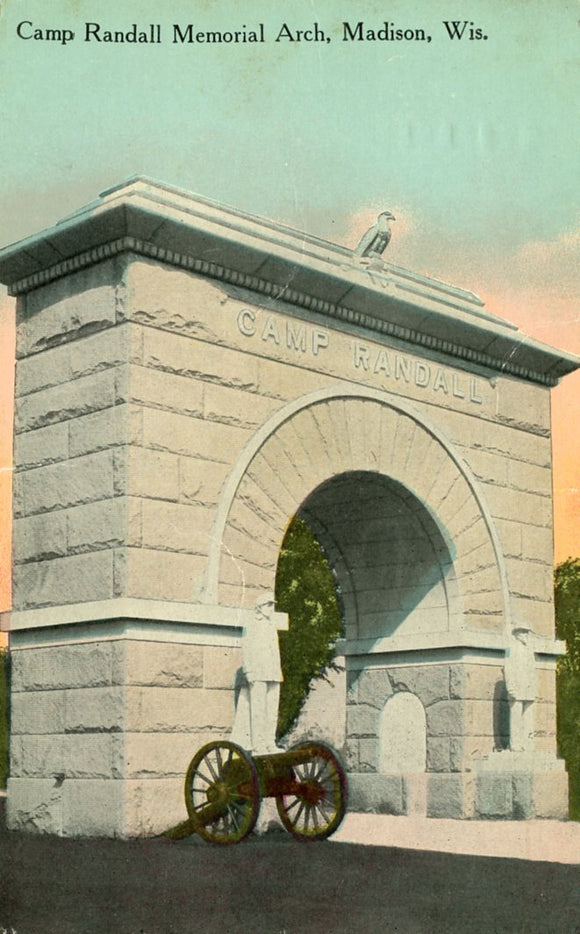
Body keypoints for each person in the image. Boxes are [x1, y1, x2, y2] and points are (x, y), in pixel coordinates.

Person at [230, 592, 284, 755]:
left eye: (272, 605)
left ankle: (270, 742)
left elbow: (275, 651)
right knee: (258, 711)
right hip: (258, 672)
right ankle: (258, 744)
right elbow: (246, 648)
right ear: (259, 607)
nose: (271, 608)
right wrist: (249, 672)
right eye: (268, 605)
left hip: (273, 672)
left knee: (272, 711)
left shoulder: (271, 625)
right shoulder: (251, 624)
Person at [504, 624, 537, 752]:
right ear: (517, 633)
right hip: (516, 687)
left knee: (528, 716)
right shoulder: (511, 648)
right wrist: (510, 687)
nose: (526, 635)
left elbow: (532, 670)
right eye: (523, 632)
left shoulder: (529, 649)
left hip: (528, 687)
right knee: (516, 716)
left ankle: (527, 743)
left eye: (527, 632)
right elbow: (508, 668)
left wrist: (534, 686)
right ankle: (515, 745)